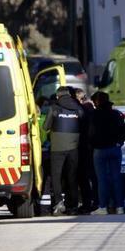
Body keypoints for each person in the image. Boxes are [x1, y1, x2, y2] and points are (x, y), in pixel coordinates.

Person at [43, 86, 85, 215]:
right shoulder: (78, 108)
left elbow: (45, 127)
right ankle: (72, 205)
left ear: (57, 96)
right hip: (74, 147)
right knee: (72, 176)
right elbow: (84, 125)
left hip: (57, 148)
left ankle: (58, 203)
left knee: (56, 176)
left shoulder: (54, 108)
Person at [88, 92, 125, 215]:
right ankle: (120, 207)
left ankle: (103, 207)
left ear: (97, 102)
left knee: (102, 179)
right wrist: (119, 142)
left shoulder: (94, 115)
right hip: (115, 148)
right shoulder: (116, 114)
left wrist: (92, 145)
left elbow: (90, 133)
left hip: (100, 150)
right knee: (116, 178)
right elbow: (123, 130)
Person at [71, 87, 97, 213]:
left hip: (83, 148)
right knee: (93, 176)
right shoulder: (92, 111)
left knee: (83, 177)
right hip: (91, 148)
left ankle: (87, 202)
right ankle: (96, 202)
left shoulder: (83, 111)